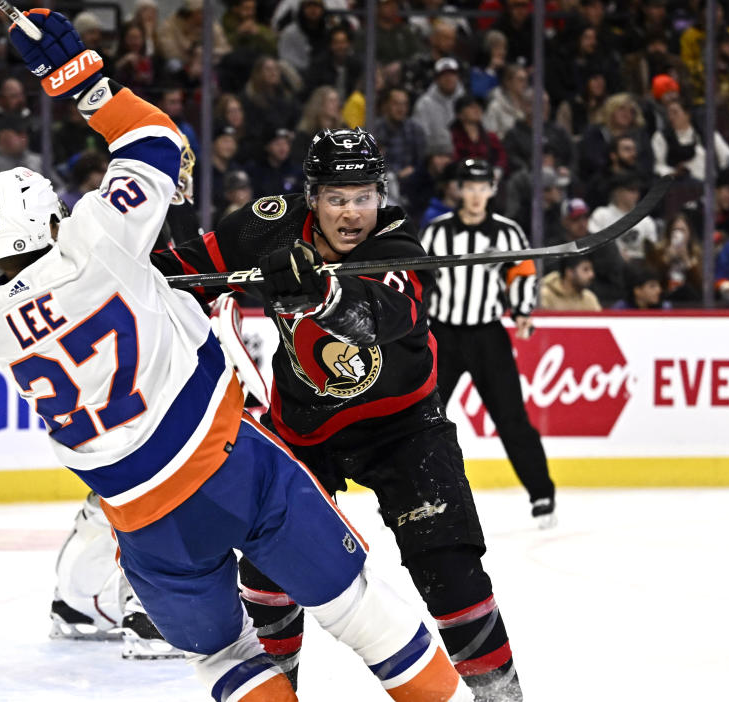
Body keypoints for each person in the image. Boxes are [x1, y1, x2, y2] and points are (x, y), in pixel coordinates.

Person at [0, 11, 467, 702]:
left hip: (138, 520)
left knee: (224, 657)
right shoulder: (100, 238)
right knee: (361, 611)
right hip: (228, 464)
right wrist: (74, 72)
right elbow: (155, 140)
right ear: (56, 218)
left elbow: (111, 281)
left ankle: (88, 603)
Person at [153, 132, 524, 701]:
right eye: (336, 198)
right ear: (311, 197)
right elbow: (180, 274)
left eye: (363, 196)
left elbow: (383, 315)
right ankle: (282, 692)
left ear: (381, 195)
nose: (352, 212)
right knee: (266, 574)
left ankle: (501, 697)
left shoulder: (399, 243)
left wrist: (320, 295)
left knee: (450, 570)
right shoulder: (265, 225)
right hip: (305, 432)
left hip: (404, 426)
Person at [419, 159, 555, 527]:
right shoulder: (436, 232)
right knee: (425, 418)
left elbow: (523, 272)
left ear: (492, 190)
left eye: (483, 187)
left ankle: (542, 493)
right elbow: (420, 279)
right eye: (470, 187)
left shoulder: (508, 233)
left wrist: (523, 311)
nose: (476, 195)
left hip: (487, 334)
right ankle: (418, 495)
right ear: (459, 190)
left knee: (511, 417)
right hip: (443, 334)